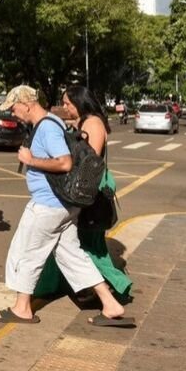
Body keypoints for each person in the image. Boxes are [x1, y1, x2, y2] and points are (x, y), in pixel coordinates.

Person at [0, 85, 133, 327]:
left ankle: (22, 308)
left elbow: (65, 163)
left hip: (49, 205)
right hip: (63, 206)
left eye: (14, 108)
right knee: (73, 257)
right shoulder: (52, 123)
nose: (13, 113)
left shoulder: (47, 127)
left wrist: (30, 160)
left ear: (26, 103)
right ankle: (110, 305)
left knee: (26, 253)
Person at [34, 85, 132, 301]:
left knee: (88, 244)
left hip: (89, 189)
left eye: (68, 103)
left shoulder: (93, 123)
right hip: (80, 188)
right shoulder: (82, 122)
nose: (66, 107)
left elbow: (91, 162)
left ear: (80, 102)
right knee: (70, 241)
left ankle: (113, 286)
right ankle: (73, 286)